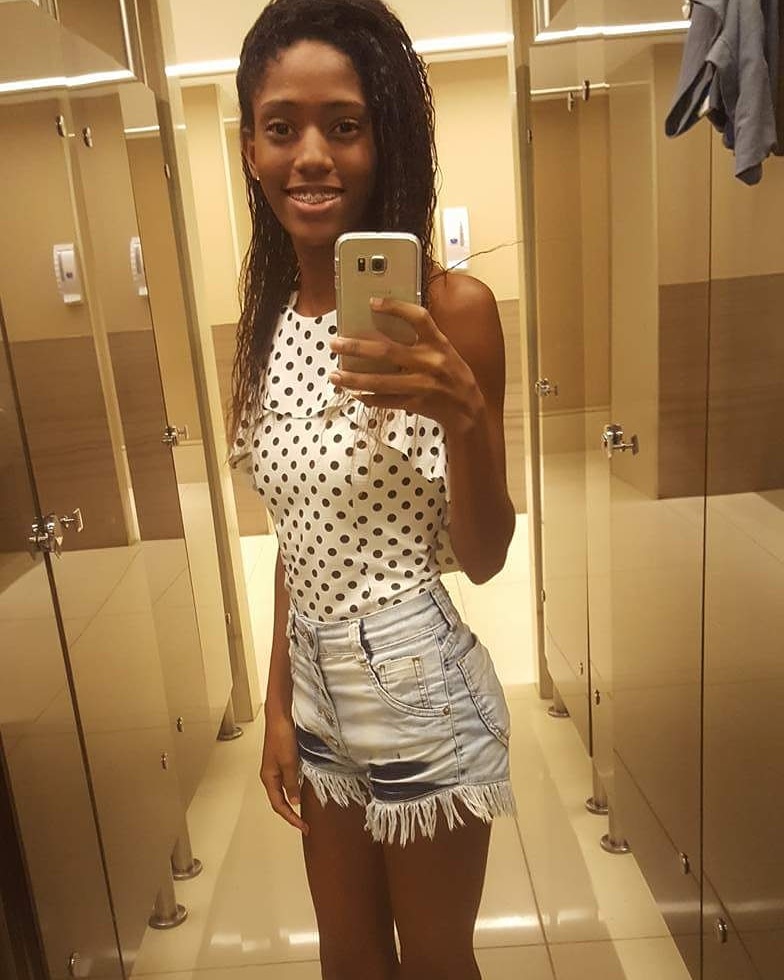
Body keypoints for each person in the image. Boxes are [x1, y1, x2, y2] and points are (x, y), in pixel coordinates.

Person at [229, 1, 517, 977]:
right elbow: (295, 540)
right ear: (250, 149)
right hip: (313, 680)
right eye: (282, 127)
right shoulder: (270, 320)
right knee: (347, 956)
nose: (311, 155)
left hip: (415, 679)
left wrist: (466, 417)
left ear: (381, 138)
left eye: (343, 125)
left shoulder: (453, 308)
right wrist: (278, 702)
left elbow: (486, 556)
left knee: (434, 961)